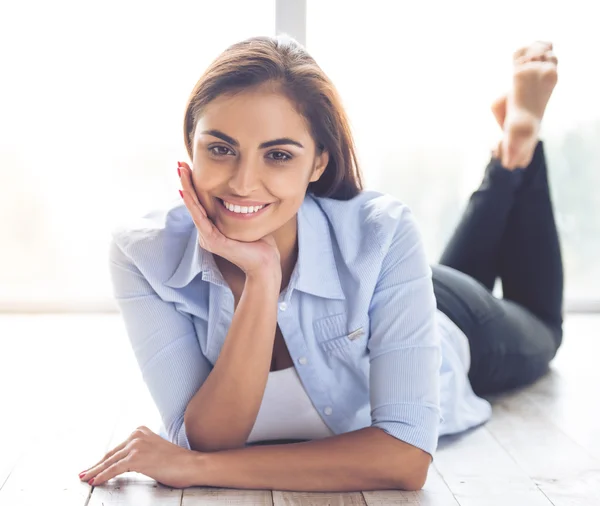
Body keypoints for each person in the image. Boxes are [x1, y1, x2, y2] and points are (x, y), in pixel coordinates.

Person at [79, 36, 562, 492]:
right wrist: (262, 278)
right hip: (384, 286)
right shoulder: (142, 254)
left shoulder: (382, 231)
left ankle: (520, 145)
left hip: (456, 327)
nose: (244, 183)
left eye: (279, 155)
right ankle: (508, 157)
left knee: (542, 327)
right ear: (191, 146)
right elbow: (206, 435)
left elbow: (405, 457)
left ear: (317, 163)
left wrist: (198, 470)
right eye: (221, 149)